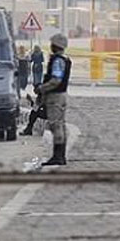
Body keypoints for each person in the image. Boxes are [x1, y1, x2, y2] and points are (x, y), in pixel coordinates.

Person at [35, 34, 71, 166]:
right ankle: (60, 155)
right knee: (60, 125)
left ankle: (58, 156)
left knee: (56, 125)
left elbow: (55, 80)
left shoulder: (57, 61)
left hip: (55, 97)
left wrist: (41, 88)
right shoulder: (64, 59)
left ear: (55, 46)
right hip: (61, 95)